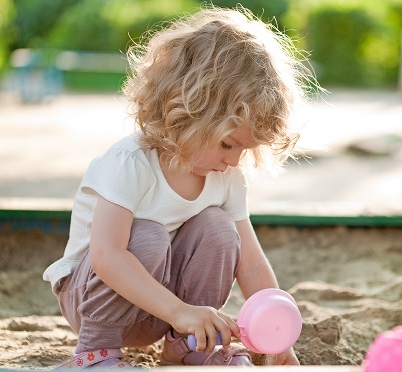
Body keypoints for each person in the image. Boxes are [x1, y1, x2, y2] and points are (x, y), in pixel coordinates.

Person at [43, 5, 317, 367]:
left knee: (219, 229)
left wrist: (278, 335)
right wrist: (179, 309)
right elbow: (107, 256)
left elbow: (250, 265)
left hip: (167, 314)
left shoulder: (226, 176)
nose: (234, 160)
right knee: (149, 236)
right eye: (228, 144)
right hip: (93, 299)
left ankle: (189, 346)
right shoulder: (130, 163)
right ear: (189, 114)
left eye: (244, 149)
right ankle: (96, 353)